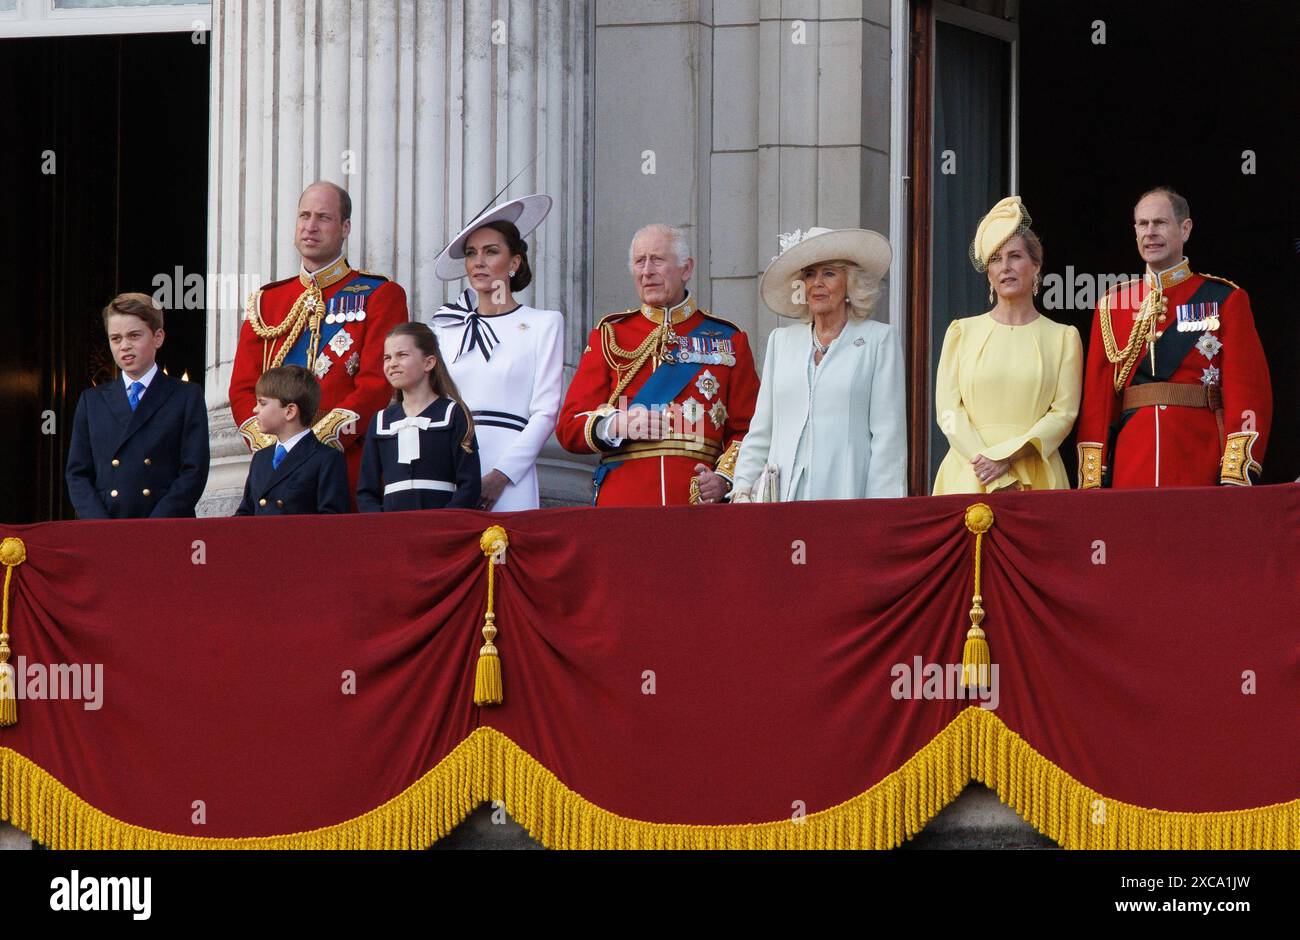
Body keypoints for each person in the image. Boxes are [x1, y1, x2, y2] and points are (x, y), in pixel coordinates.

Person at [1076, 187, 1272, 488]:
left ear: (1185, 229)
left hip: (1200, 458)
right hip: (1132, 462)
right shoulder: (1113, 304)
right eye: (1143, 224)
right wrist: (1093, 477)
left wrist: (1236, 471)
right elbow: (1097, 404)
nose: (1150, 232)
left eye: (1160, 223)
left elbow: (1247, 390)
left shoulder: (1224, 298)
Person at [556, 223, 760, 505]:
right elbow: (568, 428)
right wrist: (618, 424)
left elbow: (750, 428)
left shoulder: (728, 339)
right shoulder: (610, 335)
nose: (647, 271)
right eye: (640, 261)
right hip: (624, 504)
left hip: (696, 503)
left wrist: (724, 478)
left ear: (686, 269)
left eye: (658, 260)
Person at [228, 181, 409, 497]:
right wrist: (275, 445)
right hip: (274, 470)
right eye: (304, 216)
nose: (310, 226)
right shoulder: (266, 302)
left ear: (345, 227)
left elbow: (376, 384)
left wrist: (310, 446)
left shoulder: (379, 295)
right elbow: (243, 388)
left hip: (343, 467)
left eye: (323, 217)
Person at [731, 227, 906, 501]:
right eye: (809, 274)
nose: (816, 283)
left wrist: (880, 511)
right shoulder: (782, 341)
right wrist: (742, 488)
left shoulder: (878, 340)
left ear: (850, 283)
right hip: (782, 497)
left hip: (846, 494)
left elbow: (888, 438)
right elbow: (762, 428)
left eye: (829, 273)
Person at [931, 197, 1082, 494]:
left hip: (1035, 473)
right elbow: (947, 411)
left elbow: (1064, 413)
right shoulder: (961, 332)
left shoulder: (1063, 337)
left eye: (1015, 256)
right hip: (969, 473)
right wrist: (988, 465)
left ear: (1035, 266)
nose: (1005, 267)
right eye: (996, 259)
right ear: (988, 274)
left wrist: (1008, 456)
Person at [430, 194, 563, 511]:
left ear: (514, 262)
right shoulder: (443, 327)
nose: (478, 261)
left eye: (491, 252)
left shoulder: (543, 324)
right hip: (447, 465)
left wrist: (502, 475)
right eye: (472, 253)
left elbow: (545, 413)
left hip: (509, 472)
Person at [66, 293, 209, 518]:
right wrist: (99, 526)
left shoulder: (186, 396)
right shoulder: (91, 401)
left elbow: (194, 471)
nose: (124, 346)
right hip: (105, 529)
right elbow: (77, 474)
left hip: (165, 528)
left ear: (158, 337)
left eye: (134, 336)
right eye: (116, 338)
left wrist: (153, 526)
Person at [356, 323, 481, 512]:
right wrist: (380, 523)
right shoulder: (381, 420)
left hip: (440, 525)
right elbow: (366, 490)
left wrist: (444, 522)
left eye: (402, 355)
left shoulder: (453, 414)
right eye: (387, 358)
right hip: (391, 529)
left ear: (428, 363)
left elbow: (469, 485)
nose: (392, 364)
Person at [234, 365, 349, 516]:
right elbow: (245, 513)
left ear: (289, 411)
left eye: (262, 403)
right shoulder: (260, 458)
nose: (255, 410)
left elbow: (330, 522)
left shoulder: (326, 459)